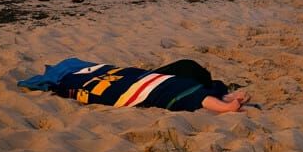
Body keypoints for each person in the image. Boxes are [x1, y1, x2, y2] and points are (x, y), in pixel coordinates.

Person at [20, 57, 250, 113]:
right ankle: (222, 104)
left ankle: (222, 97)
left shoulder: (84, 70)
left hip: (139, 77)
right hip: (145, 85)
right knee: (175, 89)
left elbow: (113, 72)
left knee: (185, 73)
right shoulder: (67, 79)